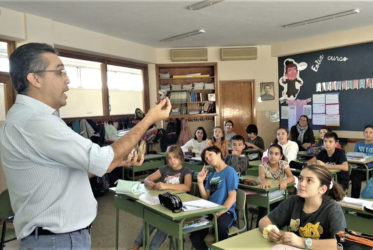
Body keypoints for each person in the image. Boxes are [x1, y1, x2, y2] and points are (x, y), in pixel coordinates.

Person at [0, 43, 172, 249]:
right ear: (34, 78)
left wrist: (116, 161)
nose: (67, 79)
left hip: (55, 238)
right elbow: (102, 160)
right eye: (59, 72)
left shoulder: (24, 118)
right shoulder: (36, 122)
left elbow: (62, 174)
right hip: (57, 241)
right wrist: (149, 119)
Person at [258, 164, 346, 250]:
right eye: (300, 179)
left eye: (309, 181)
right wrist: (270, 231)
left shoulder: (332, 209)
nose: (301, 184)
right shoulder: (293, 201)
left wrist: (302, 242)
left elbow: (340, 243)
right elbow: (263, 221)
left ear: (322, 189)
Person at [132, 145, 192, 250]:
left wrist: (165, 186)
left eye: (175, 157)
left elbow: (186, 187)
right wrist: (148, 182)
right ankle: (136, 246)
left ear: (181, 158)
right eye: (169, 158)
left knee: (164, 225)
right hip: (162, 204)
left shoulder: (186, 171)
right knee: (150, 220)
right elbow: (147, 178)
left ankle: (153, 248)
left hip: (175, 208)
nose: (172, 161)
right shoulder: (165, 169)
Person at [189, 146, 238, 250]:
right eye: (206, 159)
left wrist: (216, 216)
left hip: (226, 212)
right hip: (211, 212)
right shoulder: (211, 175)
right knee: (194, 236)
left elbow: (232, 198)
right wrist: (200, 182)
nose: (209, 159)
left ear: (219, 153)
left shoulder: (230, 172)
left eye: (210, 155)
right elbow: (206, 197)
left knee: (220, 227)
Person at [257, 144, 295, 222]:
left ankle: (274, 224)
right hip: (267, 193)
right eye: (270, 153)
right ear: (267, 154)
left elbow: (292, 177)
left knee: (277, 210)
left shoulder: (283, 164)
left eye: (276, 154)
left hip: (280, 192)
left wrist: (285, 181)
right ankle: (261, 225)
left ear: (280, 156)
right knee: (264, 208)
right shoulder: (263, 166)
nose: (273, 156)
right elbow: (261, 177)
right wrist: (263, 182)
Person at [350, 124, 373, 198]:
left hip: (372, 170)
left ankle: (354, 198)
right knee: (345, 175)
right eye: (366, 132)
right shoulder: (358, 144)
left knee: (355, 176)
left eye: (371, 132)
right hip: (358, 168)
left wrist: (366, 165)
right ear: (363, 133)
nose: (368, 134)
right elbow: (354, 158)